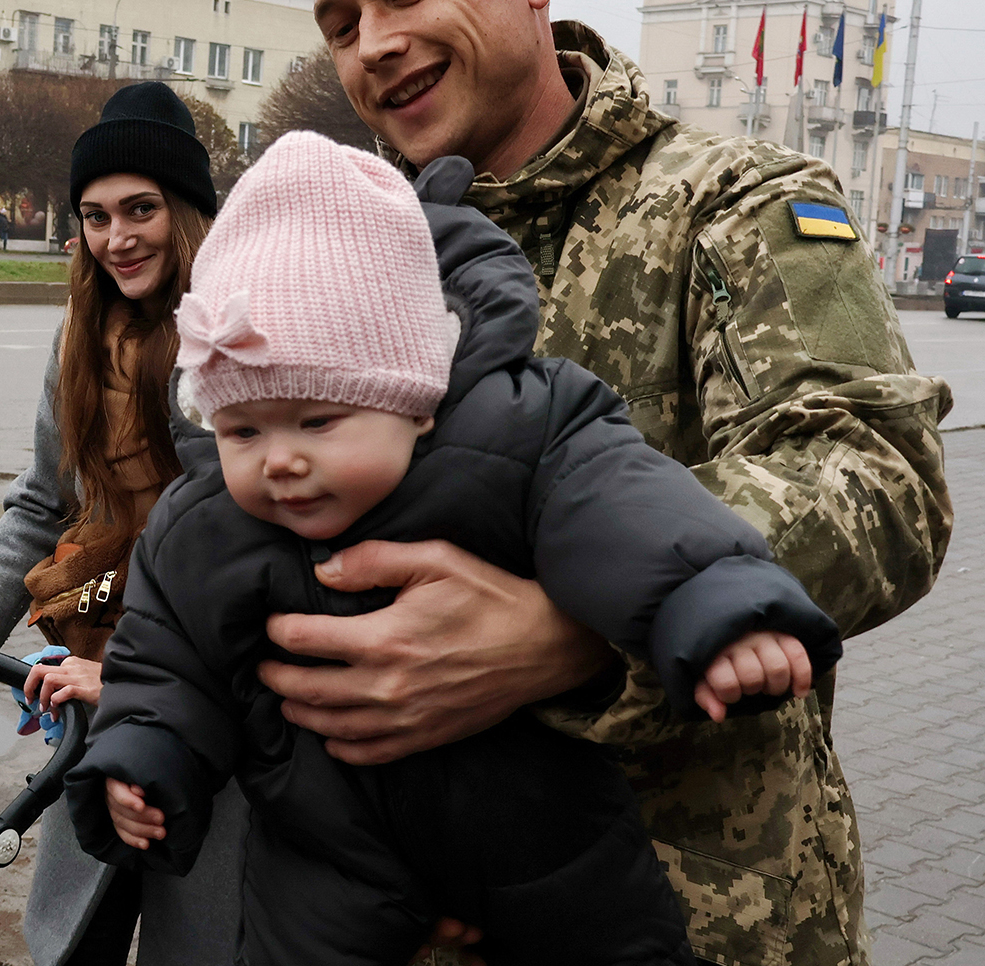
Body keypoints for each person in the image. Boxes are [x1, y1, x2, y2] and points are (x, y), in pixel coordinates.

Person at [280, 0, 952, 965]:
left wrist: (571, 629)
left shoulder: (731, 204)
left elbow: (877, 480)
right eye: (340, 22)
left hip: (701, 917)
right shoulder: (361, 252)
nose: (374, 43)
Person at [64, 133, 842, 966]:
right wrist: (142, 760)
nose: (280, 459)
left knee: (616, 939)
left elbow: (629, 509)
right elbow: (165, 663)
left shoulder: (511, 433)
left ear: (415, 400)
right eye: (242, 429)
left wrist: (714, 602)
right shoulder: (204, 525)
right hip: (329, 856)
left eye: (320, 422)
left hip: (536, 831)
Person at [0, 82, 240, 966]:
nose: (116, 237)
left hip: (207, 693)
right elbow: (43, 499)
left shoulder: (232, 335)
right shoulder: (79, 340)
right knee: (77, 934)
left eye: (142, 209)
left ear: (188, 212)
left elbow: (241, 550)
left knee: (201, 930)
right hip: (99, 678)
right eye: (95, 215)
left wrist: (132, 678)